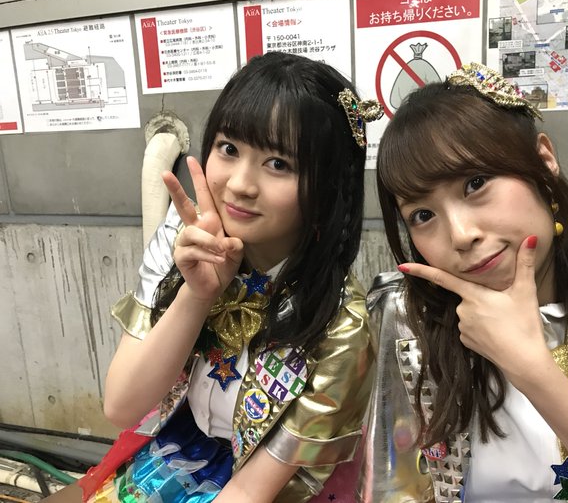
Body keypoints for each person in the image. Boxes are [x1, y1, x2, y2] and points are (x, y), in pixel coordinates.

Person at [46, 51, 382, 503]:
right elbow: (122, 406)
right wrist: (197, 294)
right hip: (174, 450)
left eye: (279, 164)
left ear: (327, 187)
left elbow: (251, 490)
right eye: (229, 149)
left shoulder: (341, 324)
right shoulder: (182, 237)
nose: (239, 184)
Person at [358, 63, 568, 502]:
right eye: (423, 215)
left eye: (475, 183)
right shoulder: (412, 321)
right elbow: (395, 489)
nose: (461, 235)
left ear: (544, 161)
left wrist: (531, 370)